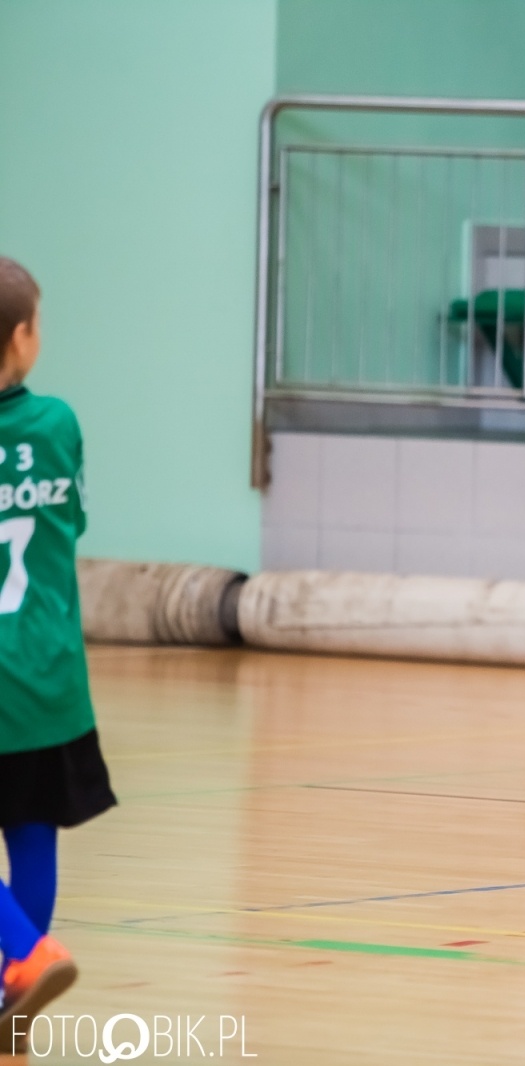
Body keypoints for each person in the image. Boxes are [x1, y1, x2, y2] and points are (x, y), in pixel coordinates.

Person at [0, 258, 118, 1048]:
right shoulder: (57, 423)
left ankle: (23, 955)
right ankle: (15, 988)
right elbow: (70, 520)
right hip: (48, 677)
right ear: (21, 338)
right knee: (31, 831)